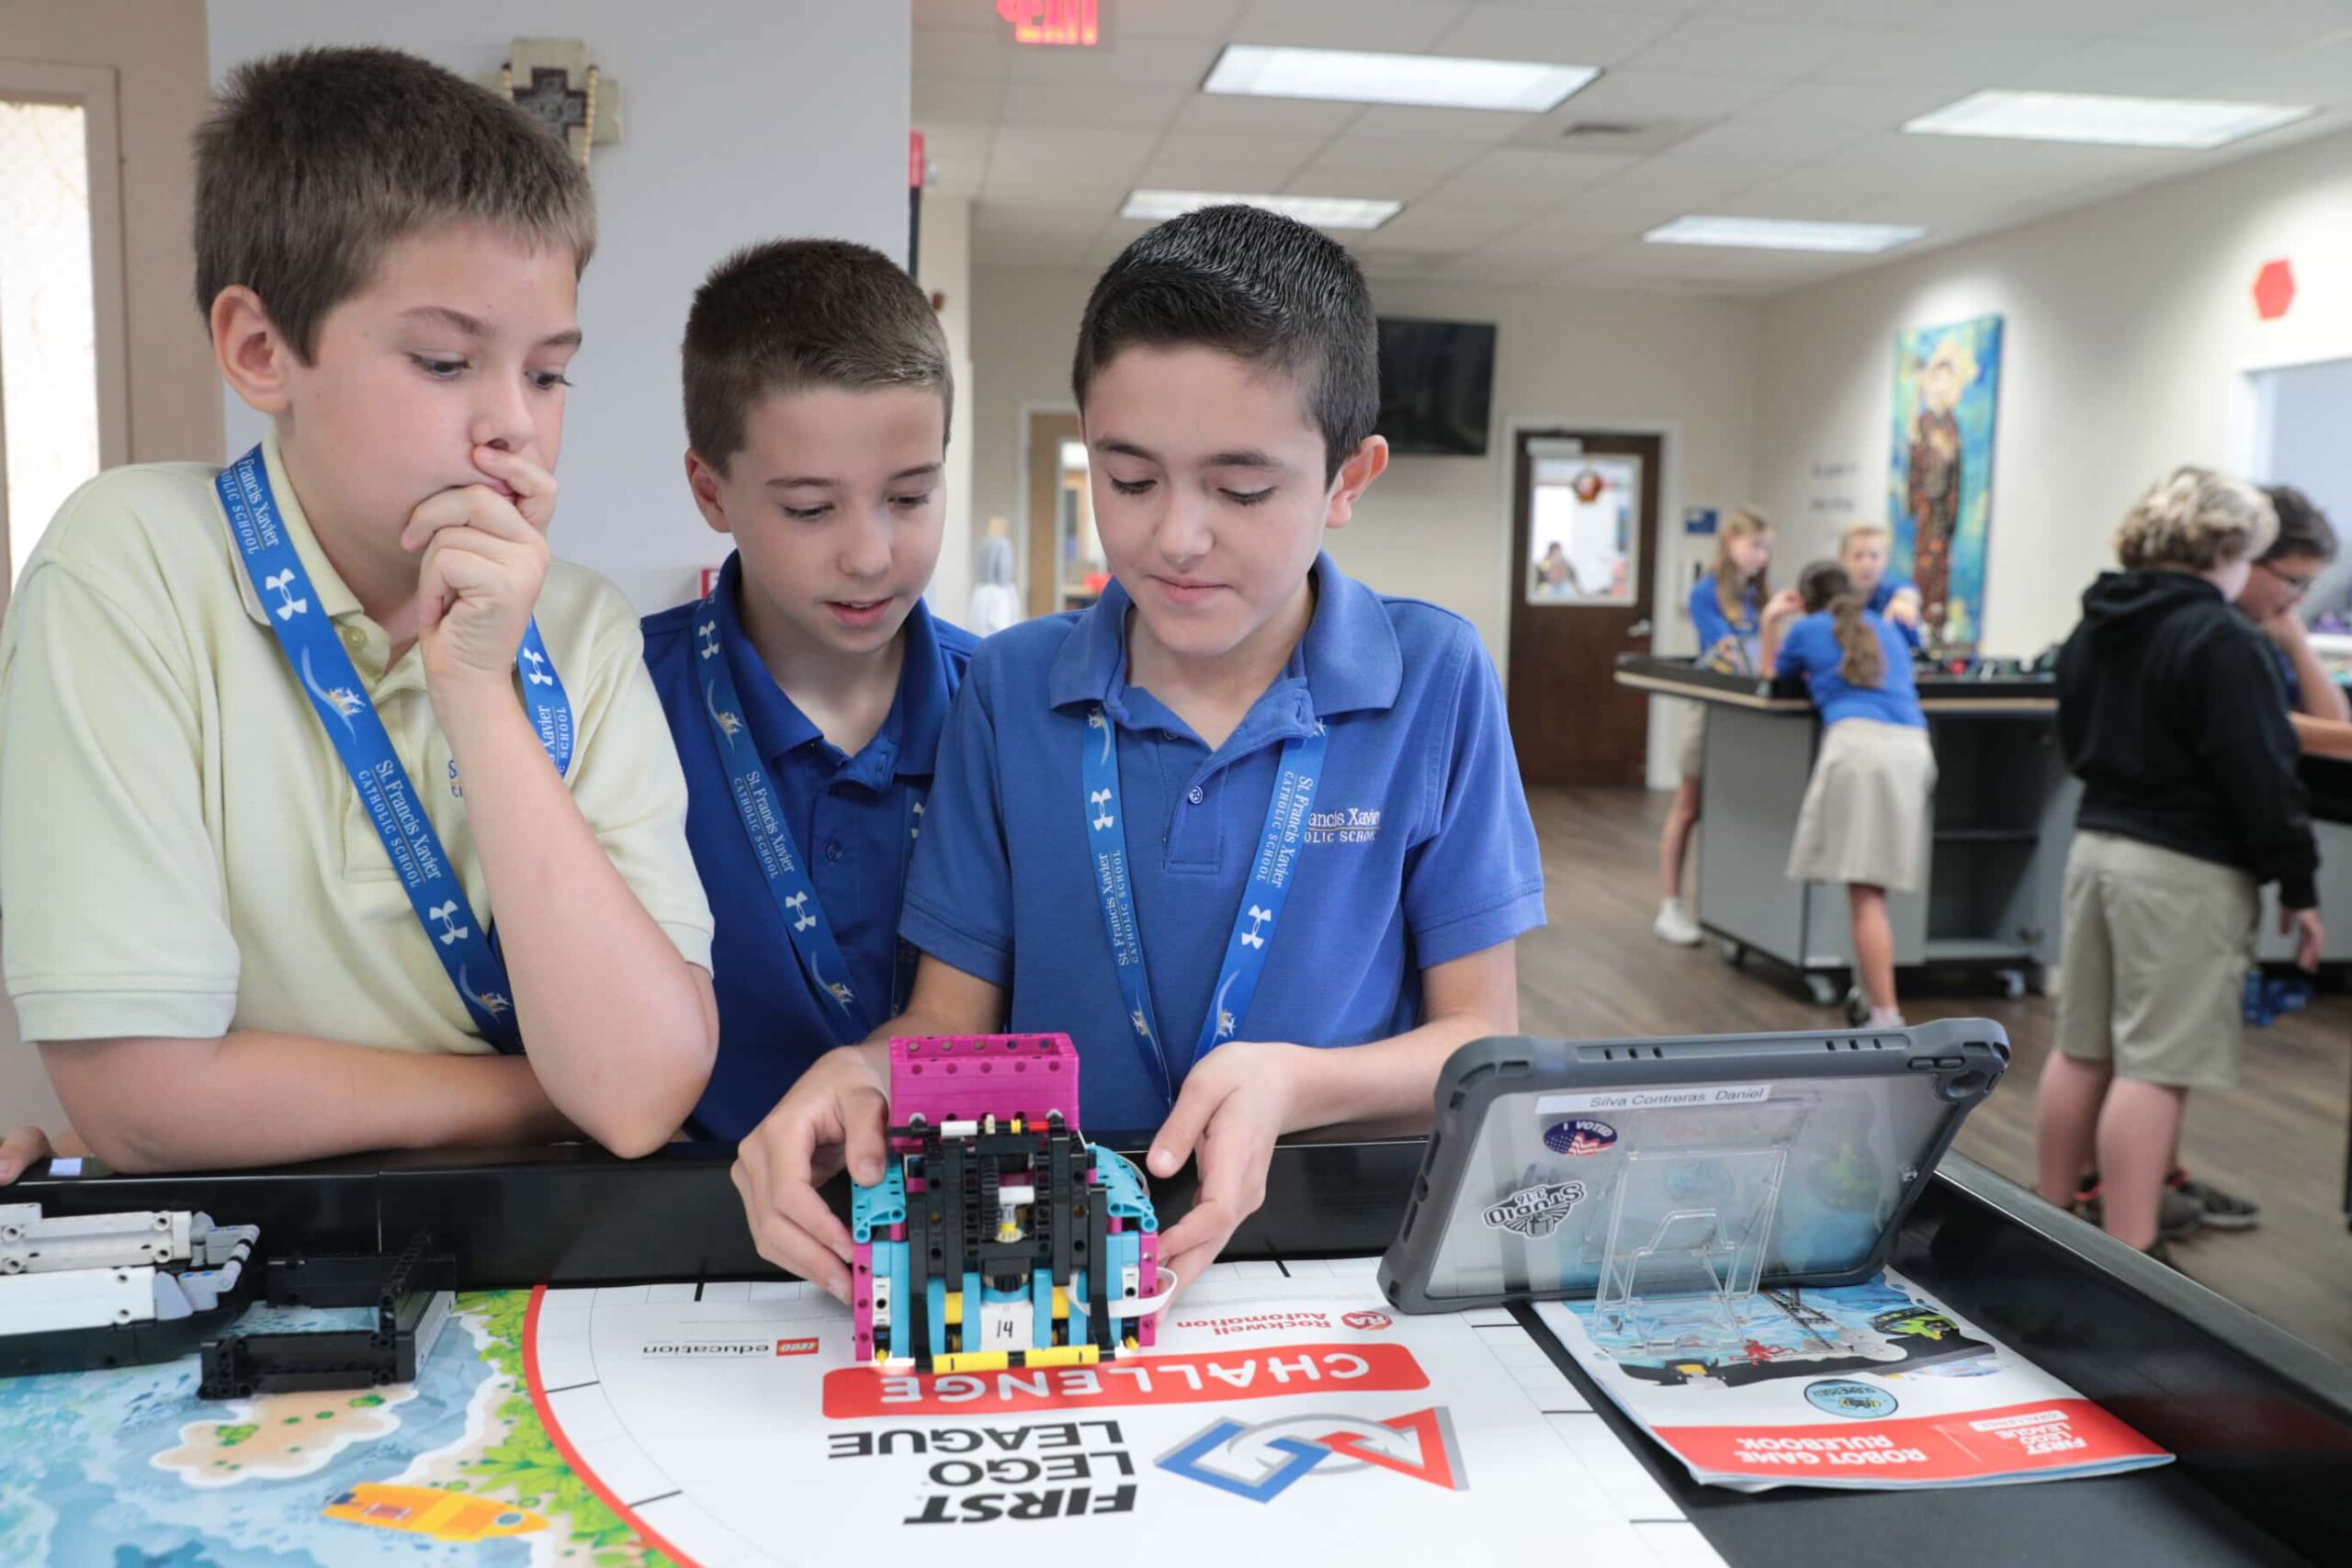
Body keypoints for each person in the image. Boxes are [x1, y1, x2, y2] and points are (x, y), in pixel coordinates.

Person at [727, 204, 1544, 1302]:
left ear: (1348, 479)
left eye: (1241, 490)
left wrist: (1292, 1084)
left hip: (1337, 1246)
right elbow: (946, 1025)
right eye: (1128, 480)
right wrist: (860, 1072)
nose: (1176, 537)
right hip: (1055, 1247)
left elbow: (1480, 1038)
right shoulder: (1012, 689)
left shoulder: (1434, 676)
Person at [0, 48, 718, 1174]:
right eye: (444, 361)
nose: (514, 424)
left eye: (547, 374)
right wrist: (545, 1096)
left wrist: (476, 688)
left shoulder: (581, 627)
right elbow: (143, 1102)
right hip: (258, 1244)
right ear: (260, 351)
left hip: (537, 1251)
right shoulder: (129, 565)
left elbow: (633, 1100)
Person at [640, 240, 977, 1143]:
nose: (869, 555)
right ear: (711, 491)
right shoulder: (616, 706)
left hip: (959, 1204)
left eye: (910, 497)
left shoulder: (1011, 712)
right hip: (670, 1210)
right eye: (809, 509)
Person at [2034, 468, 2323, 1261]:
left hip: (2096, 850)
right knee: (2155, 1067)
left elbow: (2075, 734)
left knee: (2080, 1048)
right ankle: (2131, 1259)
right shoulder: (2221, 638)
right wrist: (2297, 880)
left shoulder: (2097, 622)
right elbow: (2259, 772)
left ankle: (2045, 1227)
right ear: (2228, 548)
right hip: (2184, 870)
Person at [1759, 562, 1936, 1028]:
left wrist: (1770, 621)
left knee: (1866, 892)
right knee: (1873, 885)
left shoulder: (1807, 630)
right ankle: (1871, 993)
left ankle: (1886, 1017)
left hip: (1860, 752)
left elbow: (1770, 676)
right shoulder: (1886, 627)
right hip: (1913, 749)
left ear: (1804, 601)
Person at [1655, 509, 1799, 946]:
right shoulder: (1705, 593)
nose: (1762, 556)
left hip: (1749, 713)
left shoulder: (1763, 596)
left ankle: (1737, 909)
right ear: (1731, 540)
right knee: (1689, 805)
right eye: (1756, 546)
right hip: (1711, 707)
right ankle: (1670, 904)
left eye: (1767, 548)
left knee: (1742, 807)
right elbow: (1730, 651)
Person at [2241, 485, 2352, 761]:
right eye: (2294, 582)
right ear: (2246, 560)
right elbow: (2257, 723)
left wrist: (2297, 643)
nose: (2299, 599)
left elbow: (2333, 720)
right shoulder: (2217, 631)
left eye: (2308, 585)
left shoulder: (2273, 627)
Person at [1838, 521, 1924, 644]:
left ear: (1886, 558)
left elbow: (1908, 592)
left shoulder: (1891, 588)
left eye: (1874, 556)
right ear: (1842, 559)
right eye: (1858, 556)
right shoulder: (1834, 595)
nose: (1866, 564)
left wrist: (1904, 602)